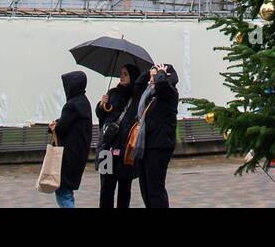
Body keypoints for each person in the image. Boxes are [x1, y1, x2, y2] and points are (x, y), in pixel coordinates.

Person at [131, 62, 178, 209]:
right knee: (145, 188)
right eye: (152, 76)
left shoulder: (169, 93)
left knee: (155, 189)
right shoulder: (148, 95)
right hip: (145, 145)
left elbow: (162, 86)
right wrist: (149, 72)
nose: (152, 79)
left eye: (155, 76)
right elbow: (137, 87)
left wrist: (161, 75)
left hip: (159, 146)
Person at [94, 63, 139, 209]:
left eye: (125, 74)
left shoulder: (136, 98)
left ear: (132, 77)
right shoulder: (113, 93)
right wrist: (101, 105)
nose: (121, 76)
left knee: (124, 189)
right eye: (121, 73)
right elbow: (103, 118)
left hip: (125, 151)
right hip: (107, 148)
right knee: (106, 188)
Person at [48, 70, 92, 208]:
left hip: (68, 156)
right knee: (67, 191)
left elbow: (61, 128)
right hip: (78, 155)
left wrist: (54, 126)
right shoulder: (84, 102)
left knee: (63, 192)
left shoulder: (71, 105)